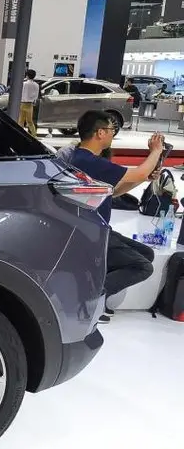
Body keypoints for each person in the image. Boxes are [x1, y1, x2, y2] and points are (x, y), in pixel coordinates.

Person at [68, 110, 164, 318]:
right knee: (143, 267)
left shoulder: (84, 159)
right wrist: (156, 151)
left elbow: (115, 190)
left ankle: (95, 290)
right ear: (100, 133)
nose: (113, 134)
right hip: (92, 233)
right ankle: (92, 296)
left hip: (97, 229)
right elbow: (138, 172)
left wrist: (145, 177)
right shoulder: (89, 162)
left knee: (146, 254)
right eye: (111, 129)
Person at [20, 69, 39, 136]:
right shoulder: (36, 85)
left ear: (27, 76)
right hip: (30, 104)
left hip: (22, 103)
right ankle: (34, 135)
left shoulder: (24, 84)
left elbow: (20, 93)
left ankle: (20, 134)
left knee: (21, 121)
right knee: (30, 121)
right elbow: (36, 96)